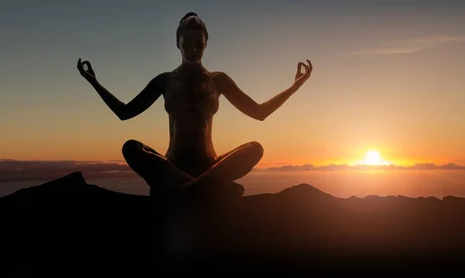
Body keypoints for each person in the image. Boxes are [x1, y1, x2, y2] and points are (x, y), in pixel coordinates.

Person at [77, 12, 313, 198]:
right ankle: (205, 188)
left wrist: (295, 86)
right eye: (186, 43)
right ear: (177, 44)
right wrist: (94, 82)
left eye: (198, 44)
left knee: (255, 148)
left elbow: (260, 113)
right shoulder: (165, 80)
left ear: (206, 43)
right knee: (131, 147)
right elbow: (125, 112)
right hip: (172, 165)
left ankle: (184, 189)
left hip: (210, 165)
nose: (193, 50)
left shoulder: (218, 80)